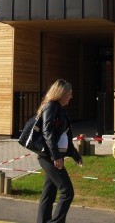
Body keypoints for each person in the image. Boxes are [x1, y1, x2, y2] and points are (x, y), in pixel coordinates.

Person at [36, 79, 83, 223]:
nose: (71, 97)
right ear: (60, 93)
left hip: (53, 155)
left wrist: (75, 155)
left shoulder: (59, 109)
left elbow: (65, 136)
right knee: (67, 192)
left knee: (49, 193)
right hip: (49, 156)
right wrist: (56, 156)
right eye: (69, 94)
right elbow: (47, 132)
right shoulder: (51, 106)